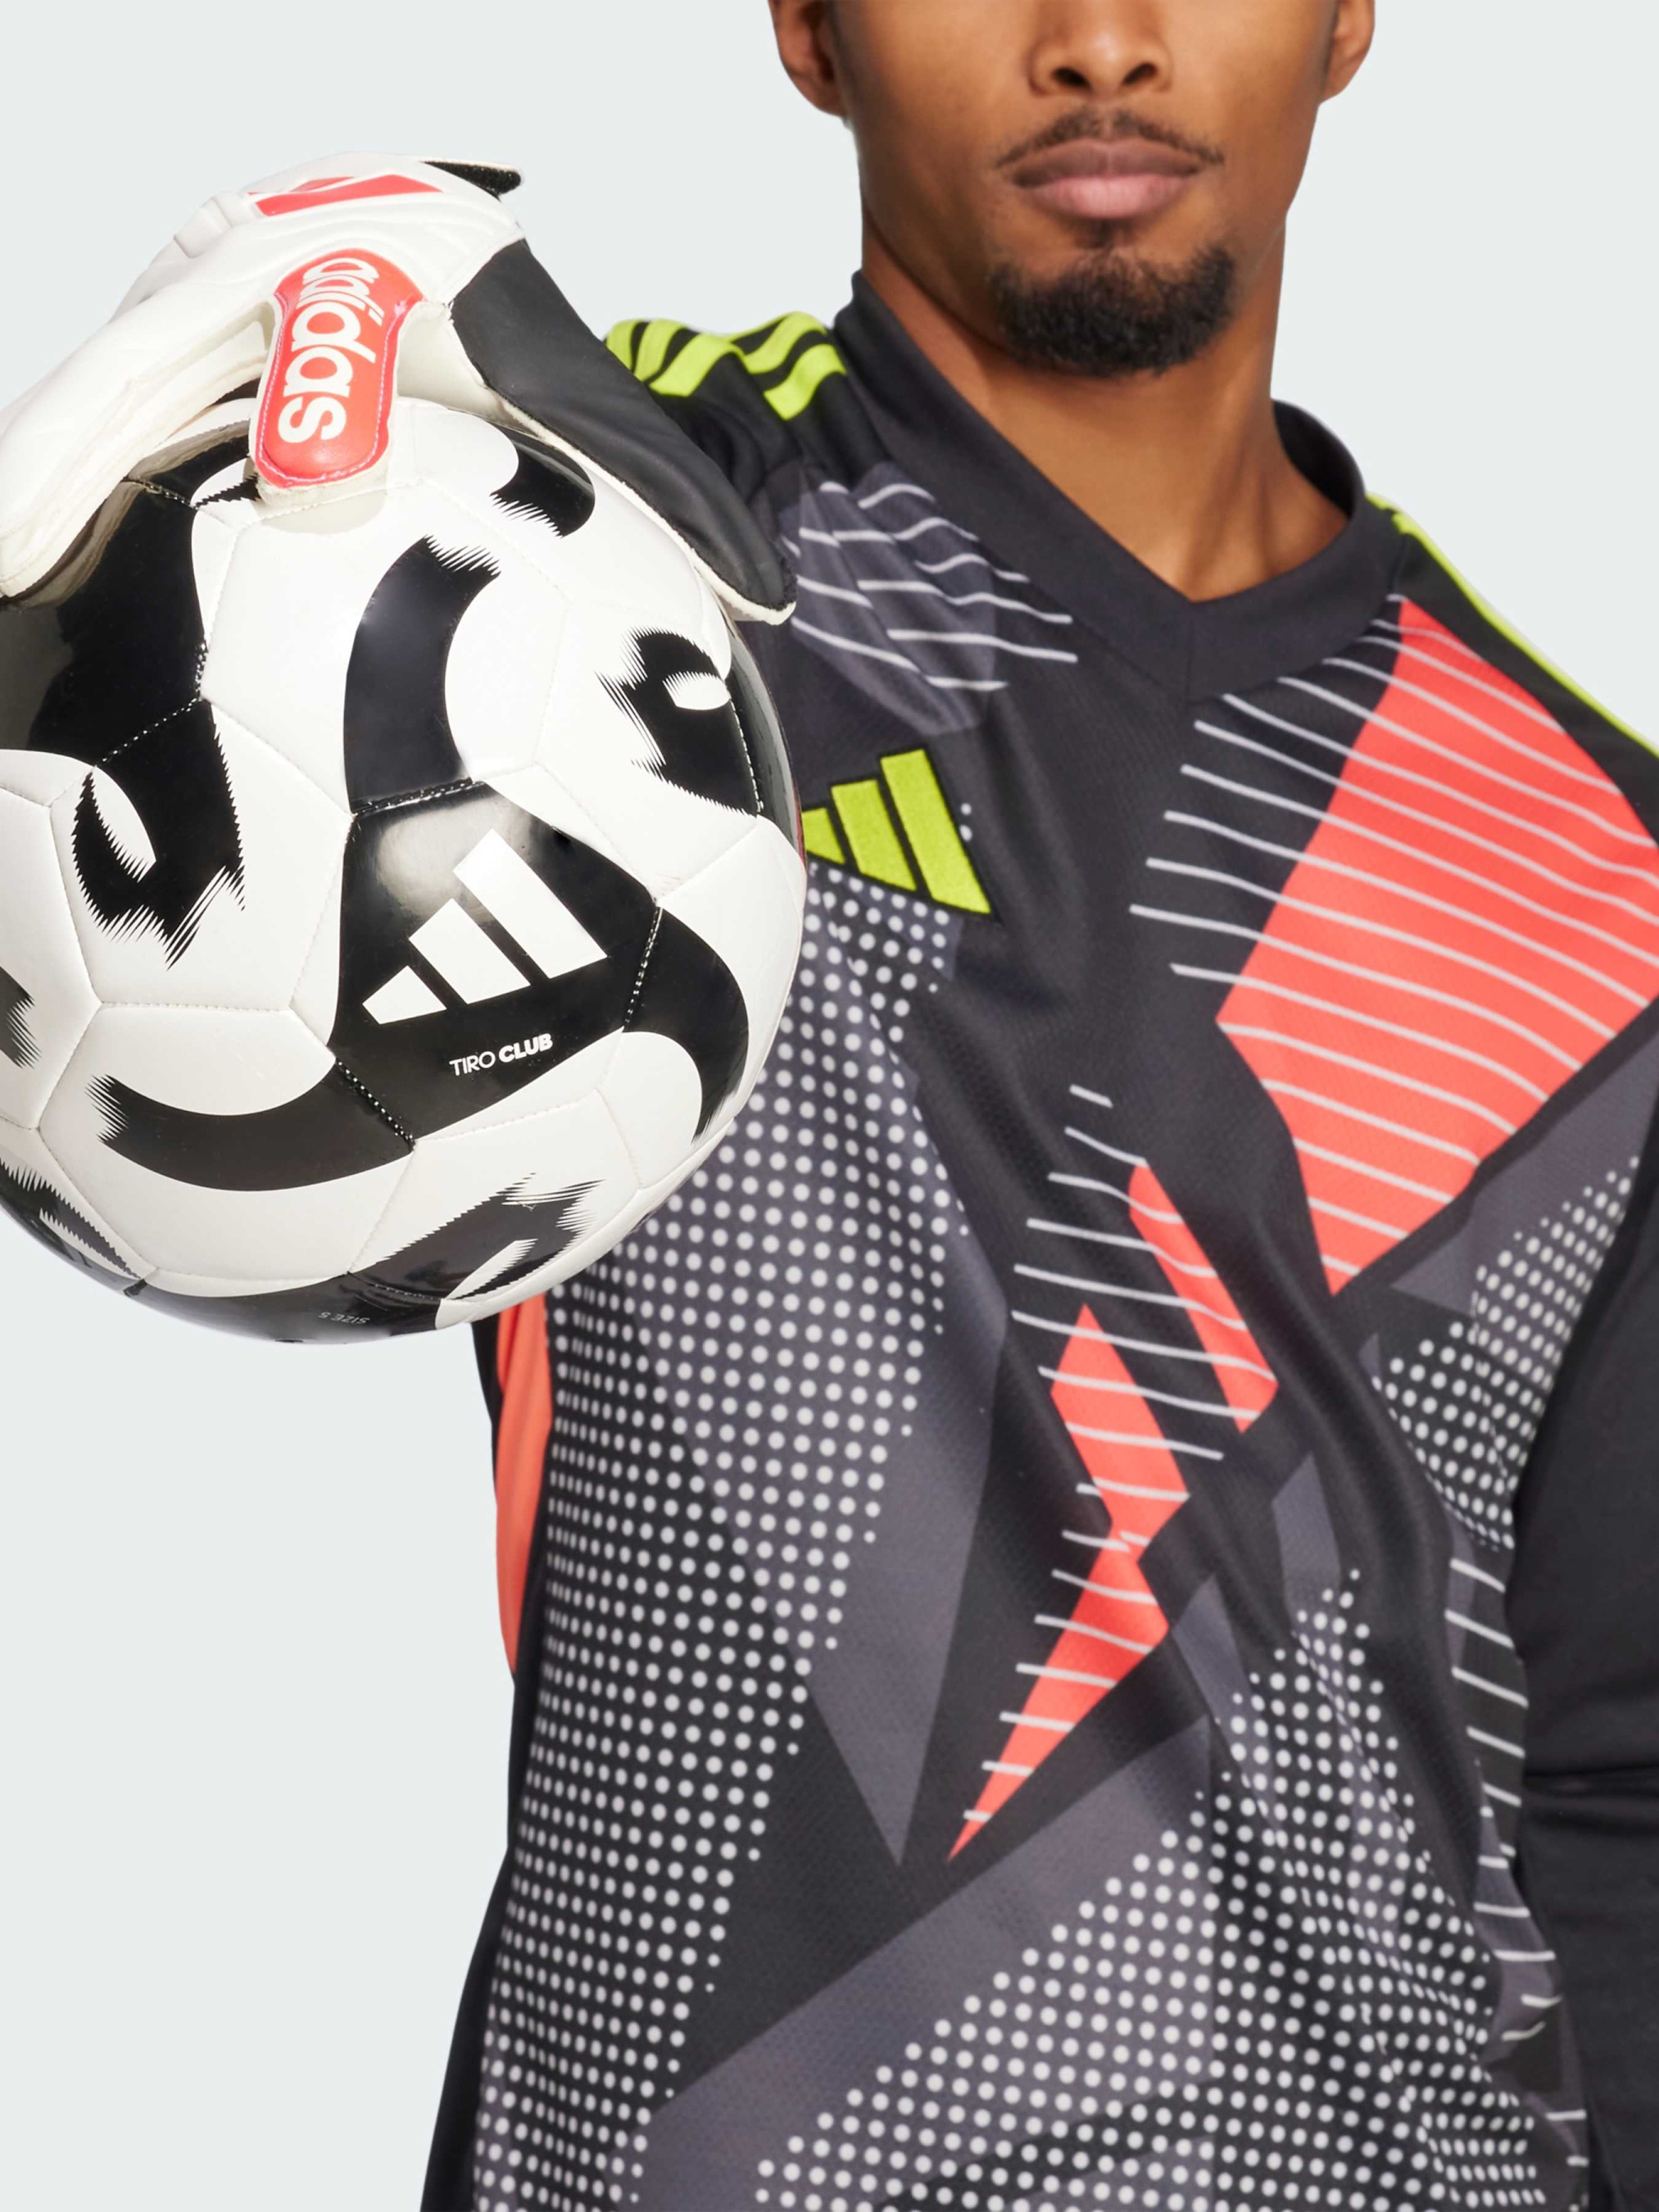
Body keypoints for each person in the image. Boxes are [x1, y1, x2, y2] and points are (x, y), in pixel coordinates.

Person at [0, 4, 1652, 2207]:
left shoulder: (1605, 864)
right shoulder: (592, 574)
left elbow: (1624, 1777)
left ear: (1349, 13)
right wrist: (246, 455)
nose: (1098, 41)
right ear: (809, 24)